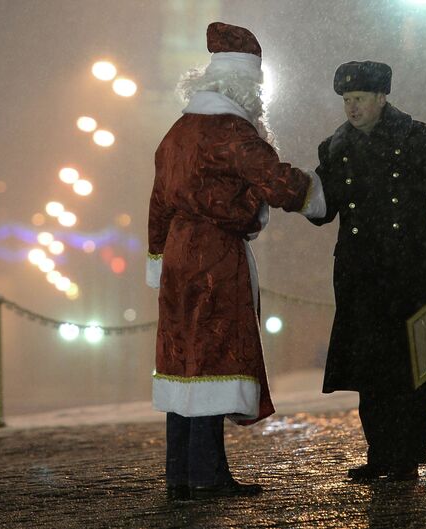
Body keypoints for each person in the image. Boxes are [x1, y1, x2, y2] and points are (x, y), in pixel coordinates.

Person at [146, 22, 324, 501]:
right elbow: (274, 179)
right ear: (245, 83)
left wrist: (158, 255)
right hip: (214, 255)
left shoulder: (177, 132)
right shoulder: (230, 131)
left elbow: (159, 201)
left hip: (178, 253)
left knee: (182, 360)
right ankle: (208, 475)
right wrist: (316, 195)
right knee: (213, 357)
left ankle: (180, 473)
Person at [303, 61, 426, 481]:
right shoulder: (334, 146)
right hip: (361, 273)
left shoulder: (417, 137)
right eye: (346, 101)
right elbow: (323, 211)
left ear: (382, 97)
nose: (351, 108)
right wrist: (296, 188)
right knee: (370, 370)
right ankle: (380, 453)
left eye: (359, 99)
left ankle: (407, 457)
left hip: (412, 268)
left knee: (413, 366)